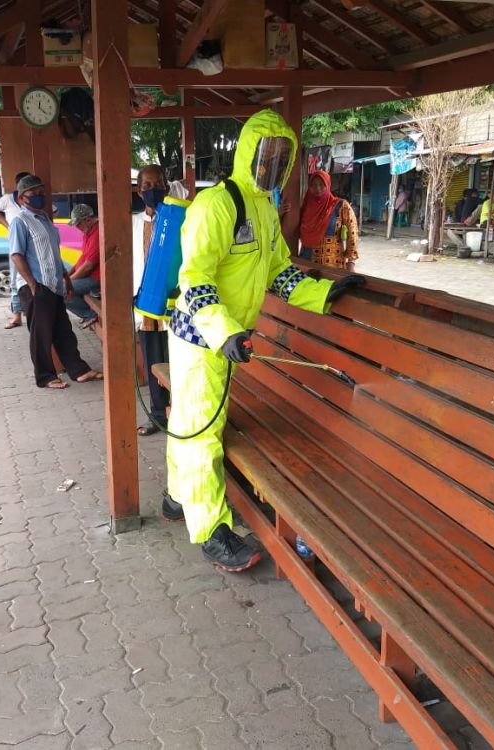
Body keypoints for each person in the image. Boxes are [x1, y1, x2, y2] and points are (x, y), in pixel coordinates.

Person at [164, 110, 364, 572]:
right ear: (247, 153)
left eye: (282, 156)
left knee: (194, 422)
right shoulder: (216, 205)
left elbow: (277, 270)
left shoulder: (263, 207)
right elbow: (194, 279)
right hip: (202, 340)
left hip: (229, 341)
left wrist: (322, 291)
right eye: (265, 153)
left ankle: (179, 497)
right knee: (203, 433)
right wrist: (225, 331)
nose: (272, 163)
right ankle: (210, 528)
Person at [9, 174, 102, 389]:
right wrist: (32, 284)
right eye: (34, 194)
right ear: (23, 199)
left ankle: (79, 371)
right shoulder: (19, 222)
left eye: (42, 193)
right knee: (41, 334)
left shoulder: (45, 221)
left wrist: (67, 280)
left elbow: (54, 254)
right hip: (36, 286)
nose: (40, 197)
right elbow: (16, 255)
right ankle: (45, 377)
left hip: (54, 285)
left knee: (63, 331)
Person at [132, 165, 187, 437]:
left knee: (177, 360)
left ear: (167, 187)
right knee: (153, 360)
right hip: (144, 307)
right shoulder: (134, 223)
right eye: (146, 185)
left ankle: (179, 413)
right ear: (138, 191)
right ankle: (157, 415)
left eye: (158, 184)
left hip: (174, 306)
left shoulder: (179, 220)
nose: (152, 189)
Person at [0, 171, 31, 329]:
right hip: (17, 246)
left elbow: (53, 210)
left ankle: (32, 312)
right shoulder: (8, 199)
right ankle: (16, 316)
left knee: (32, 279)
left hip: (33, 246)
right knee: (15, 280)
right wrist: (7, 226)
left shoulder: (32, 200)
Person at [298, 170, 359, 268]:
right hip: (306, 263)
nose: (317, 188)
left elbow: (353, 234)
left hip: (332, 265)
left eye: (321, 184)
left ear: (328, 185)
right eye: (313, 185)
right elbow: (292, 230)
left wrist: (351, 263)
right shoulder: (305, 207)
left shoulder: (341, 206)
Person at [65, 203, 101, 327]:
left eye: (78, 223)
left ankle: (90, 314)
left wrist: (68, 281)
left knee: (62, 290)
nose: (77, 227)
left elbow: (88, 266)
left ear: (87, 220)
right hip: (90, 277)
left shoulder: (97, 233)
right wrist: (67, 276)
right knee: (62, 286)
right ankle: (88, 313)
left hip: (96, 279)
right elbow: (82, 259)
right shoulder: (88, 233)